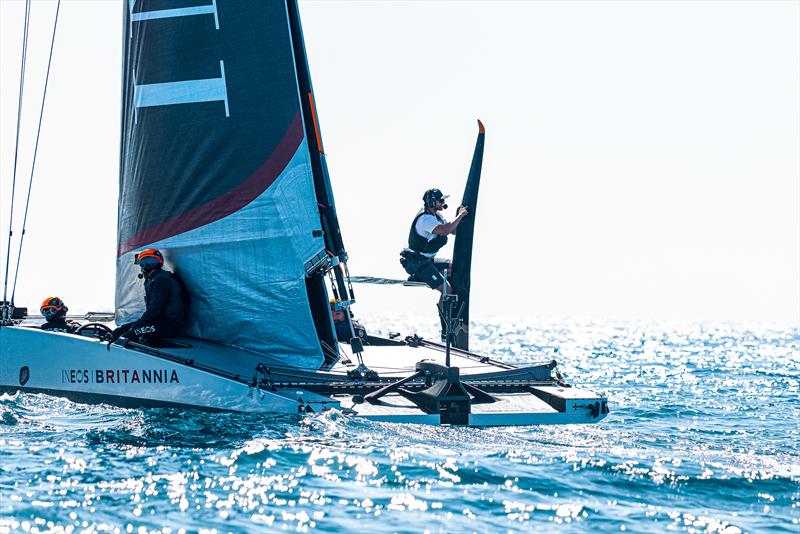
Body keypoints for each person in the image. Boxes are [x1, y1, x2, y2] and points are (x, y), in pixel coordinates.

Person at [400, 188, 468, 300]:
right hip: (416, 263)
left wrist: (457, 215)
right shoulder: (425, 219)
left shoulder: (438, 216)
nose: (443, 203)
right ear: (431, 202)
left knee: (455, 268)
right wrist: (460, 216)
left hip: (427, 261)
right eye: (440, 201)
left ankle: (422, 277)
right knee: (448, 290)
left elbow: (453, 231)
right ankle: (445, 317)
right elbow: (445, 230)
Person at [109, 248, 186, 346]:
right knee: (121, 330)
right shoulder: (154, 280)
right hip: (159, 323)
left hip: (169, 326)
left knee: (128, 335)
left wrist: (137, 324)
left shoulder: (161, 281)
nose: (143, 266)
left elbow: (155, 309)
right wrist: (136, 324)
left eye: (147, 262)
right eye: (143, 262)